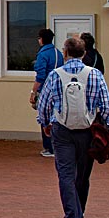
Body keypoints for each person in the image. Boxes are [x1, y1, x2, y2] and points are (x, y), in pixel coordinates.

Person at [36, 37, 109, 218]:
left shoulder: (55, 75)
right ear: (84, 54)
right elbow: (107, 107)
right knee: (83, 174)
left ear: (65, 53)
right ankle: (80, 212)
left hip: (62, 130)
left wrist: (45, 124)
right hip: (87, 131)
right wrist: (103, 125)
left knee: (65, 174)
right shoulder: (95, 75)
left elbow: (43, 104)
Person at [30, 28, 63, 158]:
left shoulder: (43, 54)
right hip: (58, 90)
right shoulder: (58, 53)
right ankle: (57, 145)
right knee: (56, 117)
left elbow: (40, 75)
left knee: (44, 116)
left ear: (42, 39)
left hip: (45, 90)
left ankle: (49, 147)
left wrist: (34, 91)